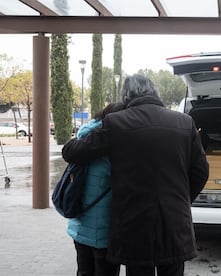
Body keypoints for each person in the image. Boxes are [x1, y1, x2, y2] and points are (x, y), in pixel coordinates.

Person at [62, 74, 209, 276]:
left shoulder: (117, 122)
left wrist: (78, 135)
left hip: (134, 226)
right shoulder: (184, 122)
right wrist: (181, 200)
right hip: (176, 222)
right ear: (155, 93)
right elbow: (201, 171)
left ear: (126, 96)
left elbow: (73, 153)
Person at [67, 102, 124, 276]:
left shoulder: (82, 139)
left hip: (79, 226)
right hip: (104, 231)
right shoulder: (112, 147)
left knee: (84, 271)